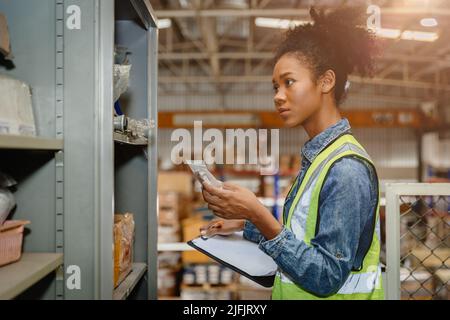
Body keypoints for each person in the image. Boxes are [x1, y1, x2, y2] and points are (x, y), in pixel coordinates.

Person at [200, 6, 384, 300]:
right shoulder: (320, 159)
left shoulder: (346, 168)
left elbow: (325, 276)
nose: (277, 95)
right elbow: (303, 241)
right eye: (275, 86)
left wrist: (258, 213)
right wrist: (248, 225)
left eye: (289, 82)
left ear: (326, 81)